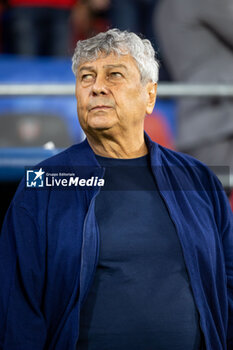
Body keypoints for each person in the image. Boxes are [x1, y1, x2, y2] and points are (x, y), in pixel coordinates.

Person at [0, 29, 232, 350]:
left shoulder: (199, 180)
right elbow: (18, 305)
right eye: (86, 77)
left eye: (114, 75)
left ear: (149, 96)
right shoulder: (42, 184)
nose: (96, 87)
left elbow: (227, 280)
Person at [154, 0, 233, 177]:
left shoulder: (164, 8)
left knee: (204, 198)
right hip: (220, 119)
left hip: (199, 120)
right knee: (208, 197)